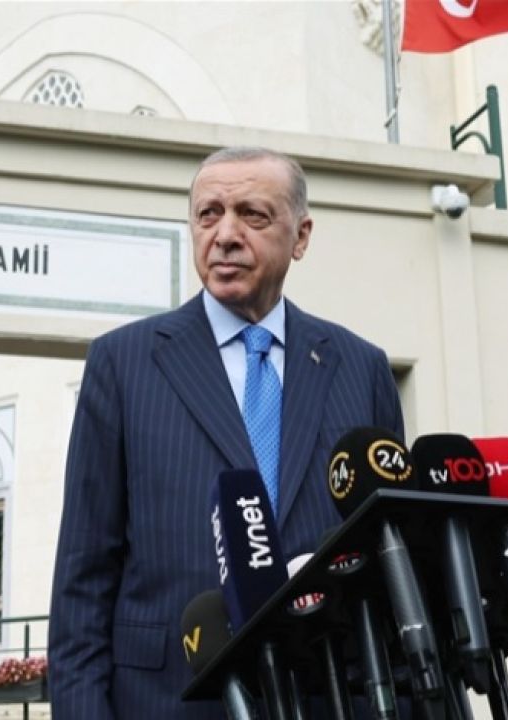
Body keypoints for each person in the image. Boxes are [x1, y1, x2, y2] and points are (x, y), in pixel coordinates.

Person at [48, 146, 405, 718]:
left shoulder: (360, 367)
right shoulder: (123, 364)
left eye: (252, 215)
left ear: (301, 236)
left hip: (333, 697)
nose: (225, 235)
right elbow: (83, 576)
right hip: (168, 701)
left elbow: (389, 557)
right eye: (208, 214)